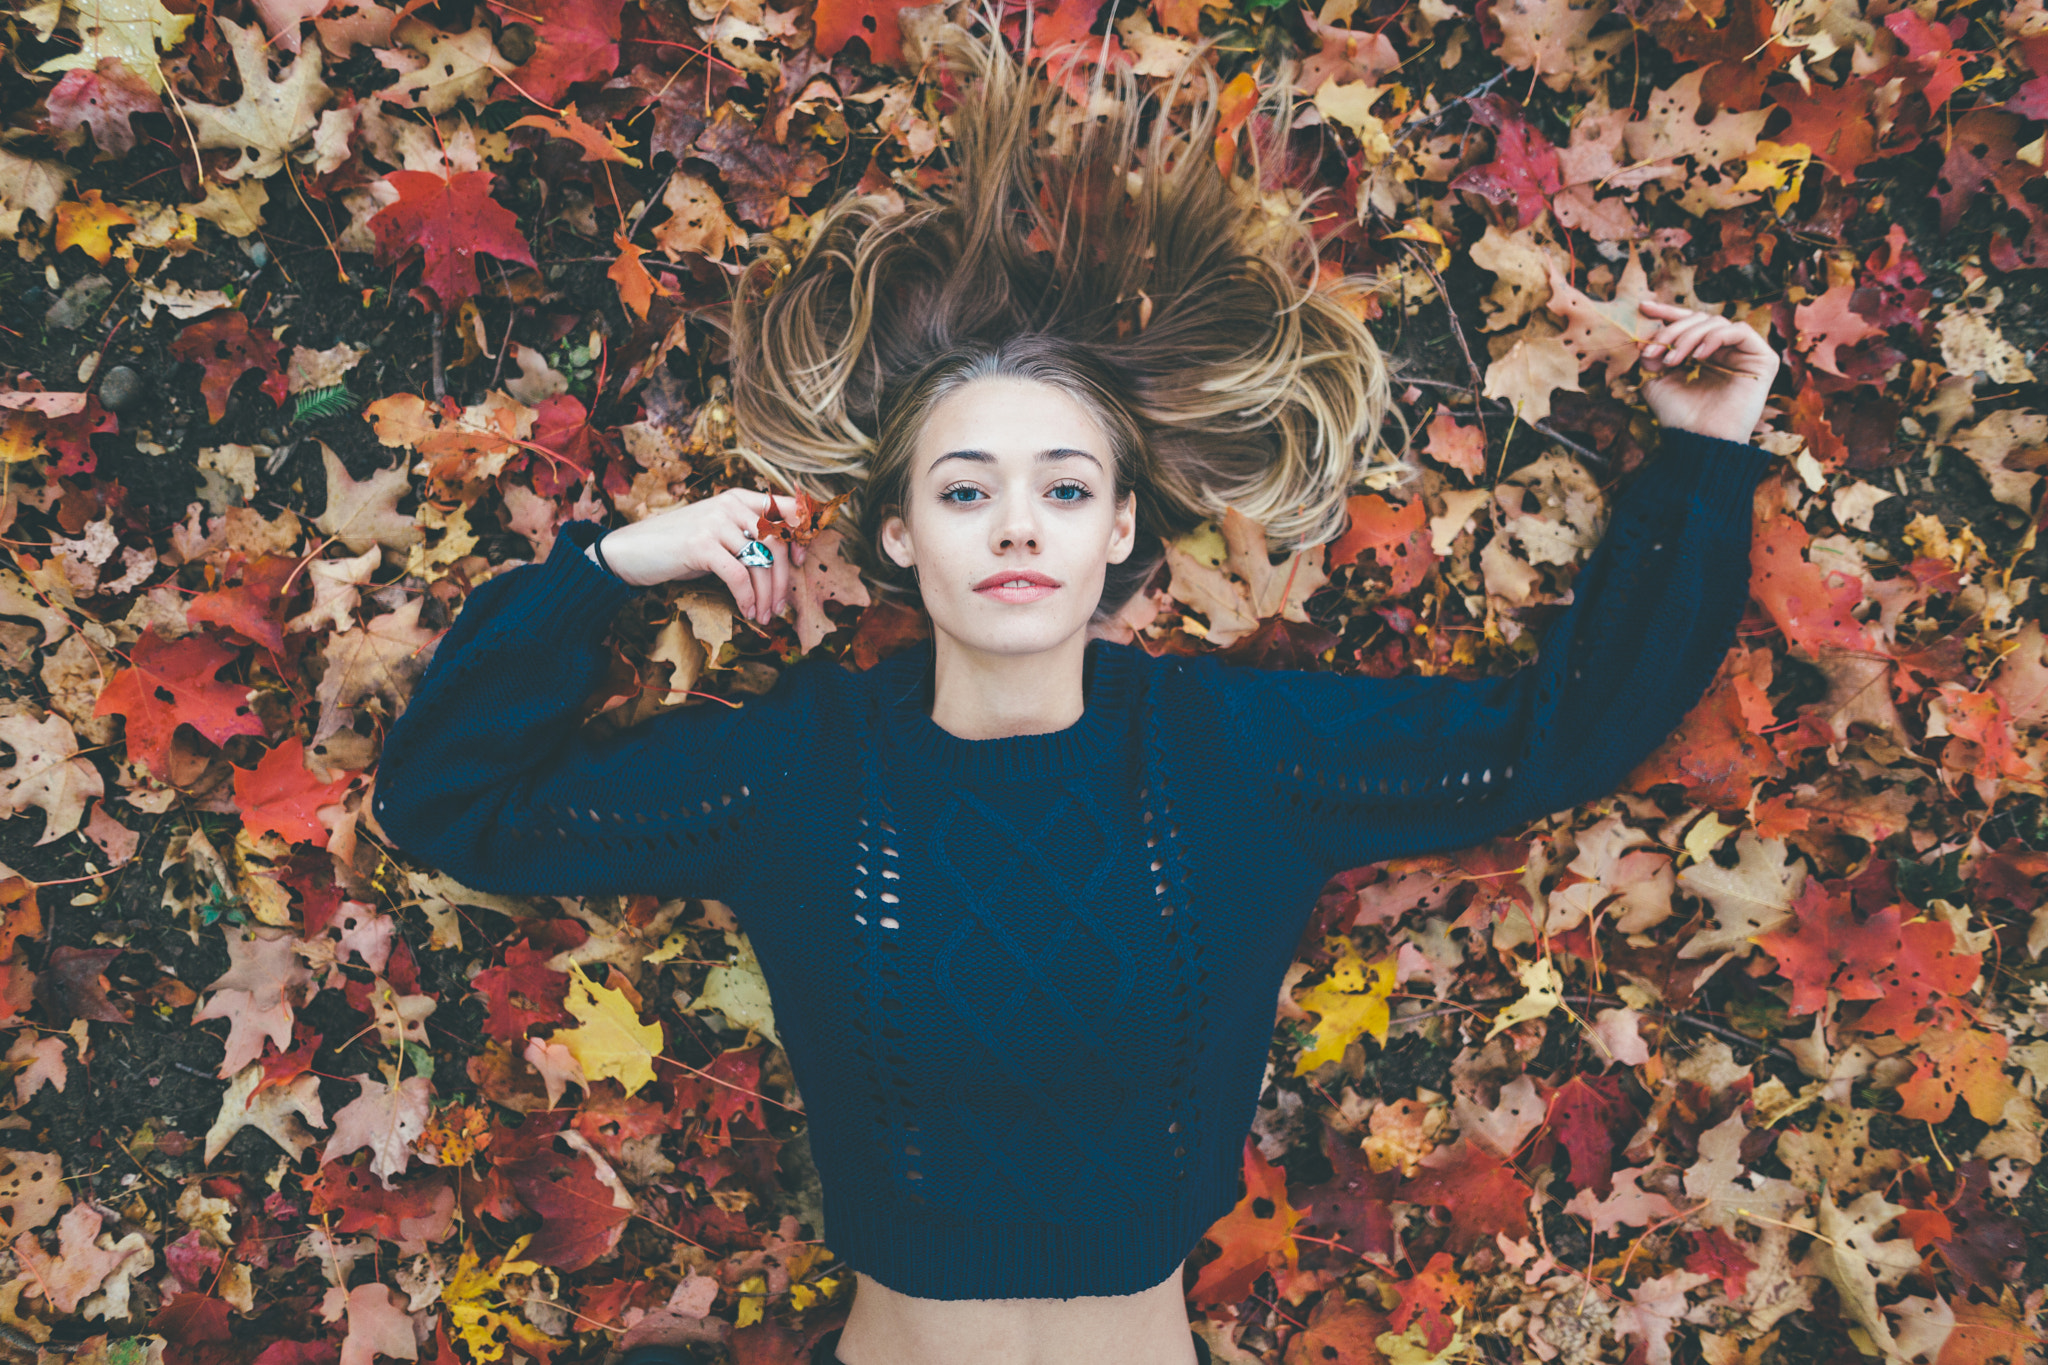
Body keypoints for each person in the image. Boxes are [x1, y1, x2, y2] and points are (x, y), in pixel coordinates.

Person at [368, 6, 1784, 1363]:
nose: (1018, 523)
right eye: (967, 487)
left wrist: (1705, 458)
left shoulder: (1240, 757)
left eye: (1063, 484)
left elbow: (1558, 737)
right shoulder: (799, 773)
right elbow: (450, 803)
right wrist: (615, 563)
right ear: (903, 534)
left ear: (1117, 528)